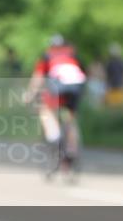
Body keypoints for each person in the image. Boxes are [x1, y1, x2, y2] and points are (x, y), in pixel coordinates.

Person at [25, 34, 87, 177]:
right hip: (77, 86)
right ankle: (72, 149)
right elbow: (83, 73)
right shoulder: (72, 54)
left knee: (45, 110)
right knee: (71, 119)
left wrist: (29, 95)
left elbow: (38, 77)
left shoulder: (47, 56)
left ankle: (54, 136)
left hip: (60, 86)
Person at [104, 43, 123, 107]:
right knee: (115, 105)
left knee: (116, 105)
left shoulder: (110, 62)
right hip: (115, 85)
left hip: (116, 85)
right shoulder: (121, 62)